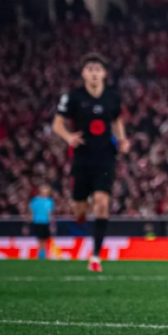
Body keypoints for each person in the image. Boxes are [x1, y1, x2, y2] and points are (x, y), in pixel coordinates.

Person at [52, 52, 128, 273]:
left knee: (102, 203)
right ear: (83, 74)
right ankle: (82, 210)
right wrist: (68, 137)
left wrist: (122, 139)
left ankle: (95, 256)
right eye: (90, 69)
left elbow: (117, 120)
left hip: (105, 157)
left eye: (98, 69)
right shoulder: (73, 97)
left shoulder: (112, 97)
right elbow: (57, 124)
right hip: (82, 158)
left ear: (104, 74)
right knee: (80, 210)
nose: (94, 73)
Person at [28, 185, 55, 261]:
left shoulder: (49, 201)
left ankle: (43, 253)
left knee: (45, 239)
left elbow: (50, 213)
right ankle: (40, 254)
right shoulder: (35, 200)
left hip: (46, 222)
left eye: (47, 191)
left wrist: (52, 223)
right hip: (37, 222)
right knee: (40, 239)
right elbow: (31, 212)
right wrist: (28, 223)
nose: (45, 192)